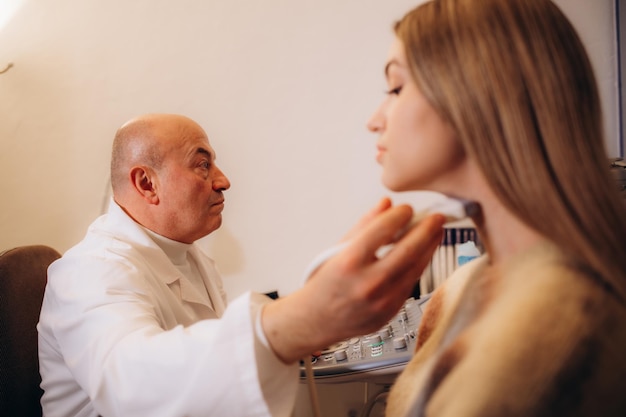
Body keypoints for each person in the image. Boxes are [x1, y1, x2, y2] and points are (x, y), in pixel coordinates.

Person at [37, 113, 446, 417]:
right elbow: (129, 385)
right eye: (202, 164)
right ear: (147, 183)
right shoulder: (90, 270)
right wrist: (293, 322)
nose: (223, 180)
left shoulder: (188, 254)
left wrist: (297, 327)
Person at [365, 0, 626, 416]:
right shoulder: (458, 290)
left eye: (396, 89)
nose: (375, 121)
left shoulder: (572, 326)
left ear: (479, 95)